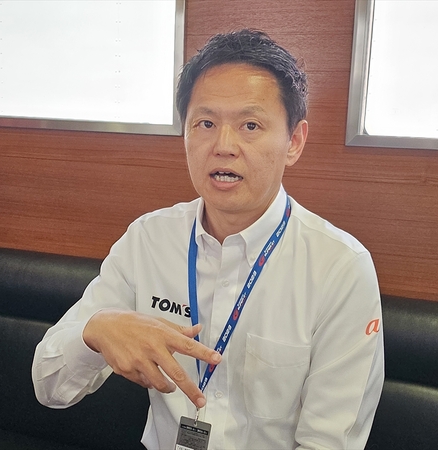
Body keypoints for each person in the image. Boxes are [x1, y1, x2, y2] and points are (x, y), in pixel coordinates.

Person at [32, 29, 384, 450]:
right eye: (206, 123)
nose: (224, 146)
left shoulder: (340, 267)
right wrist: (95, 332)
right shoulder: (149, 239)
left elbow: (328, 442)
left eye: (250, 125)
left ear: (294, 141)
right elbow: (49, 385)